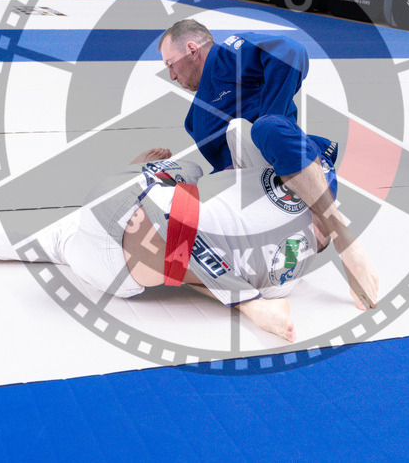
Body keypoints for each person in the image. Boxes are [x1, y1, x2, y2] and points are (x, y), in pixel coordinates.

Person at [0, 136, 379, 343]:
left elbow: (269, 135)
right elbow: (264, 131)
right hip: (130, 251)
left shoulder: (284, 268)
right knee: (63, 241)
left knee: (60, 239)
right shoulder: (286, 269)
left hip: (125, 225)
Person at [154, 20, 377, 311]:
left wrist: (273, 119)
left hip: (296, 167)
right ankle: (251, 298)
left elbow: (291, 51)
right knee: (175, 207)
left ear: (192, 50)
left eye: (171, 64)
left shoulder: (228, 55)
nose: (171, 75)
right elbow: (227, 173)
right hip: (262, 198)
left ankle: (342, 236)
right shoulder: (195, 119)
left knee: (263, 129)